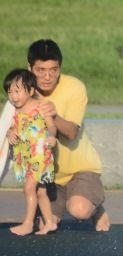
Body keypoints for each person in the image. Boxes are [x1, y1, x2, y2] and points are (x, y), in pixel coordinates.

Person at [26, 39, 110, 231]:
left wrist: (51, 113)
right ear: (29, 68)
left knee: (79, 210)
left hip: (80, 170)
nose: (48, 77)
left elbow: (71, 132)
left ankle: (96, 209)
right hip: (48, 176)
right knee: (47, 224)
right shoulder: (23, 92)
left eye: (54, 70)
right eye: (40, 70)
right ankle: (54, 208)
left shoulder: (75, 87)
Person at [4, 69, 58, 236]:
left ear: (31, 90)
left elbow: (51, 126)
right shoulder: (13, 111)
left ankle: (28, 223)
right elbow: (11, 128)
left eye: (17, 91)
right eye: (10, 92)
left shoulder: (40, 107)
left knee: (29, 188)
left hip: (40, 153)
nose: (13, 96)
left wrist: (52, 137)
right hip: (26, 155)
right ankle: (49, 222)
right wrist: (10, 133)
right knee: (40, 191)